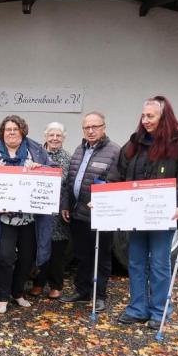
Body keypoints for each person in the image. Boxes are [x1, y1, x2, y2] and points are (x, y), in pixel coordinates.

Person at [116, 96, 178, 330]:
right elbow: (118, 174)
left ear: (164, 117)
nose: (145, 120)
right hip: (136, 215)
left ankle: (160, 310)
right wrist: (102, 200)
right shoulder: (134, 143)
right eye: (143, 116)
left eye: (150, 116)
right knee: (135, 262)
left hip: (163, 215)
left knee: (160, 263)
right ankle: (137, 308)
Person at [0, 115, 54, 314]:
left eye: (15, 129)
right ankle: (2, 297)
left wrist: (42, 169)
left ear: (22, 131)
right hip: (2, 218)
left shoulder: (37, 151)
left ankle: (18, 293)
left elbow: (52, 174)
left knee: (26, 257)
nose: (11, 133)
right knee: (4, 257)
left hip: (30, 218)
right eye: (7, 129)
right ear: (2, 132)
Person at [58, 113, 120, 312]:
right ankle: (82, 291)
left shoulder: (114, 152)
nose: (91, 131)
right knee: (82, 255)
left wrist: (103, 200)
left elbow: (116, 183)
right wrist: (66, 204)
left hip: (101, 214)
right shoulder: (79, 149)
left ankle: (99, 295)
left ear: (104, 127)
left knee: (101, 255)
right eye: (87, 127)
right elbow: (71, 181)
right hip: (79, 214)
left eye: (95, 126)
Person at [31, 122, 71, 299]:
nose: (55, 138)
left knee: (57, 251)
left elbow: (69, 186)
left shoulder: (68, 158)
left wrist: (65, 206)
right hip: (38, 210)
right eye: (51, 135)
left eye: (58, 135)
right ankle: (38, 283)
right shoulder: (35, 155)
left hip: (58, 212)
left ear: (63, 138)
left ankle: (56, 285)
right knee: (38, 247)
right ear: (45, 136)